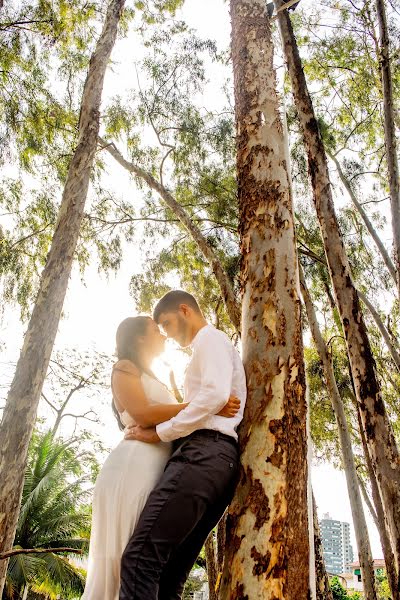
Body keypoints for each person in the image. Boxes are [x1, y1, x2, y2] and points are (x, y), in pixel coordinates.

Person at [82, 315, 239, 600]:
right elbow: (142, 412)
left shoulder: (159, 380)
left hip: (157, 468)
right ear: (139, 337)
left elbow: (177, 420)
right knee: (126, 556)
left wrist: (202, 408)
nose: (164, 334)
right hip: (133, 466)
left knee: (147, 557)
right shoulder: (124, 367)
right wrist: (206, 404)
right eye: (157, 330)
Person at [120, 290, 247, 600]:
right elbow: (212, 400)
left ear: (185, 310)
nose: (166, 333)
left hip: (202, 455)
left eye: (167, 323)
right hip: (217, 462)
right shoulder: (208, 346)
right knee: (170, 574)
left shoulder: (209, 339)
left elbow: (215, 396)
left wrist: (158, 433)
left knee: (138, 560)